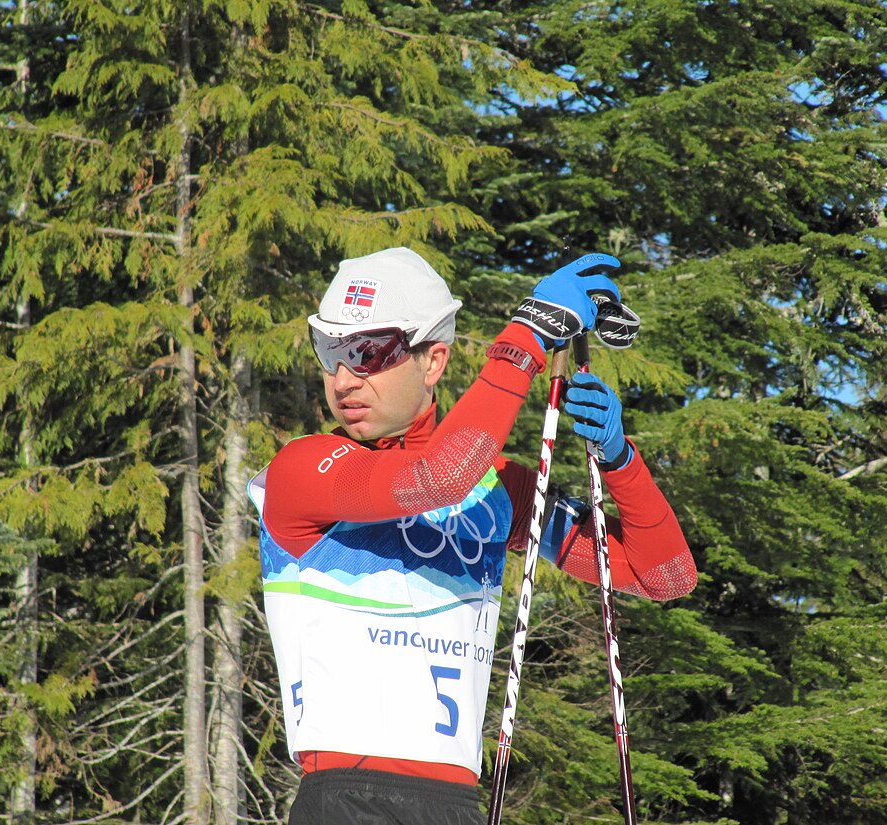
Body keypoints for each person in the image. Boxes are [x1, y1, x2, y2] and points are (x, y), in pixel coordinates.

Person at [247, 246, 696, 825]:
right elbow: (435, 478)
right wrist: (528, 335)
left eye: (367, 352)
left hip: (456, 805)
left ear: (432, 361)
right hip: (345, 798)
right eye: (329, 352)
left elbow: (663, 575)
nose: (343, 378)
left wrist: (620, 459)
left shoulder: (494, 490)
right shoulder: (304, 469)